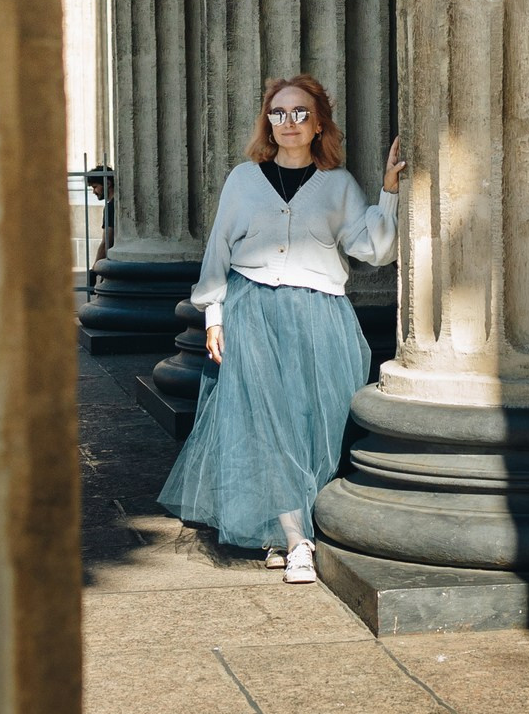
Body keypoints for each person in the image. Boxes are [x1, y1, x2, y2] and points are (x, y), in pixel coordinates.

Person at [158, 75, 405, 583]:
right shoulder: (243, 179)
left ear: (318, 125)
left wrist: (389, 192)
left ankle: (283, 529)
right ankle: (297, 543)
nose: (287, 122)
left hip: (320, 317)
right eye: (278, 113)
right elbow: (219, 249)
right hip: (253, 310)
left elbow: (374, 249)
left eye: (299, 113)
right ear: (267, 122)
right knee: (266, 425)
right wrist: (213, 314)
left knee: (310, 421)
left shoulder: (337, 183)